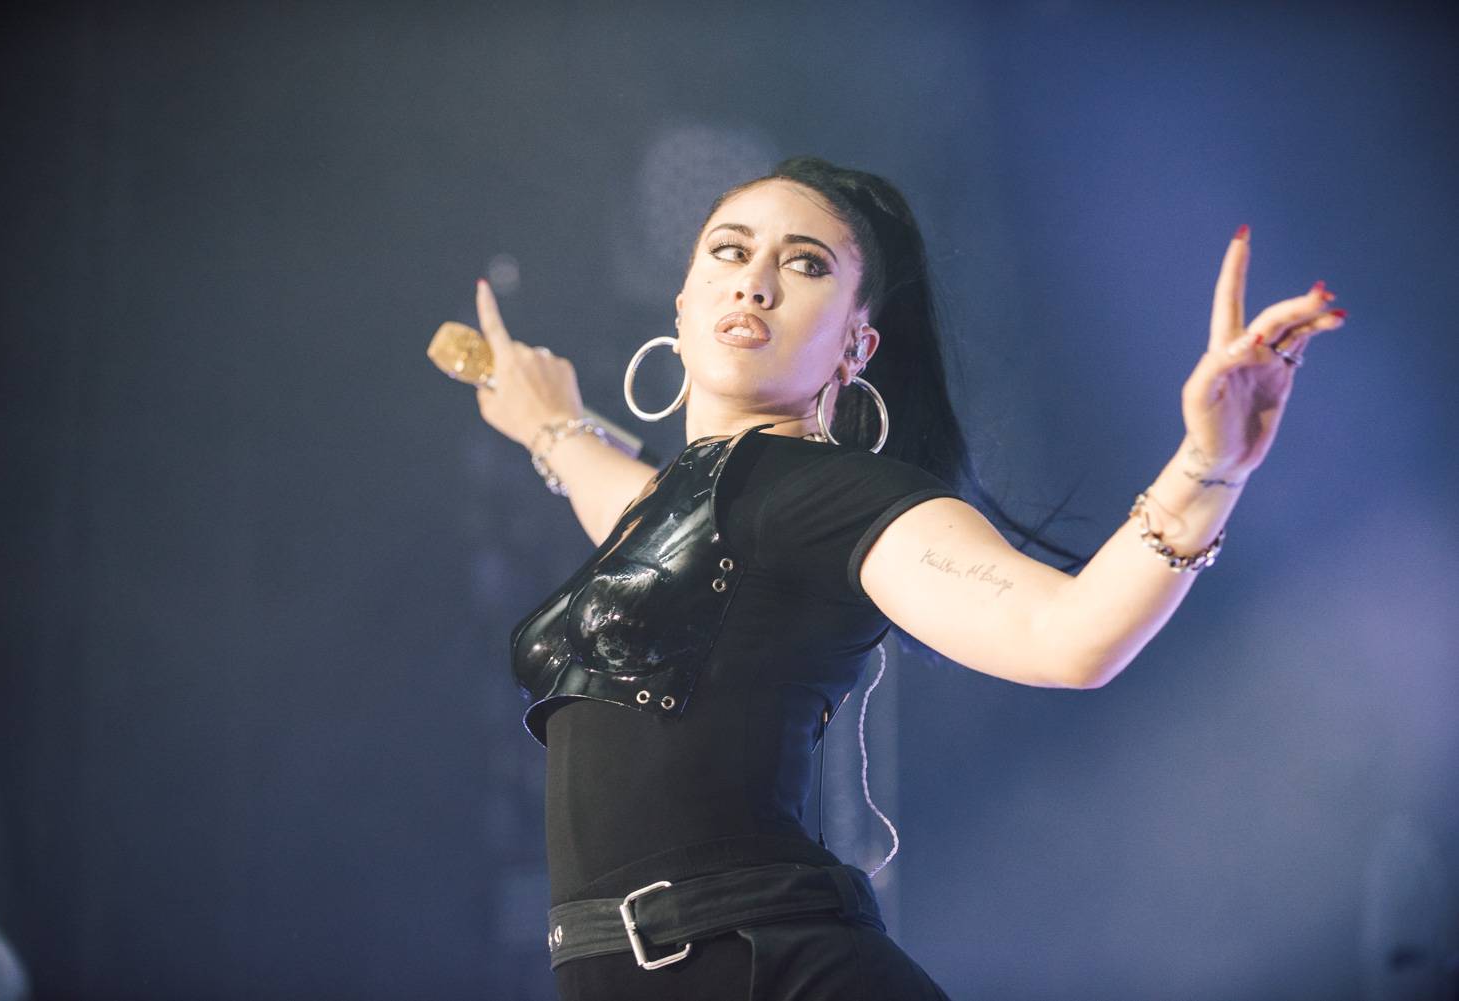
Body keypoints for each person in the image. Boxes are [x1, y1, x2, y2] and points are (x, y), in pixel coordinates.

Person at [462, 156, 1345, 999]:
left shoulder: (832, 496)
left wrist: (1208, 467)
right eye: (730, 251)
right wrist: (547, 422)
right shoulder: (664, 517)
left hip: (776, 971)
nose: (755, 282)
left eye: (804, 265)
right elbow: (614, 490)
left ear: (856, 344)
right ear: (685, 302)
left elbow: (1066, 635)